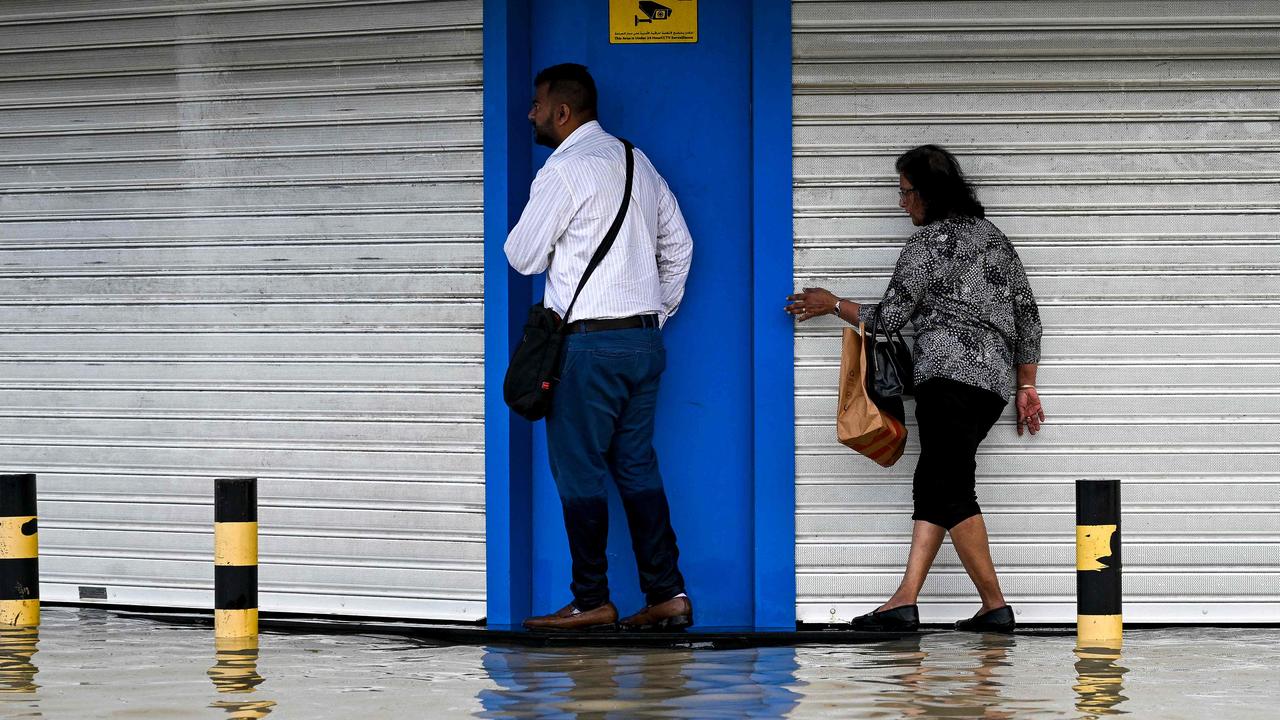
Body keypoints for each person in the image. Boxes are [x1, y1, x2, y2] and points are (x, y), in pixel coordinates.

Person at [785, 145, 1044, 633]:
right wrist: (1026, 384)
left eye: (905, 193)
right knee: (935, 484)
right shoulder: (996, 242)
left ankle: (993, 605)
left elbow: (890, 318)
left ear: (928, 193)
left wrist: (832, 303)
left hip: (946, 381)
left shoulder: (928, 246)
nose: (902, 204)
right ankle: (905, 601)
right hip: (989, 388)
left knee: (949, 488)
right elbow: (1028, 319)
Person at [505, 64, 695, 632]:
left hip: (588, 348)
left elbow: (522, 256)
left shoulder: (563, 170)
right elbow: (679, 246)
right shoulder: (639, 162)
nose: (531, 114)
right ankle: (666, 594)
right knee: (636, 466)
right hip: (643, 342)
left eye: (537, 105)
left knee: (579, 471)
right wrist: (655, 315)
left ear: (563, 112)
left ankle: (591, 600)